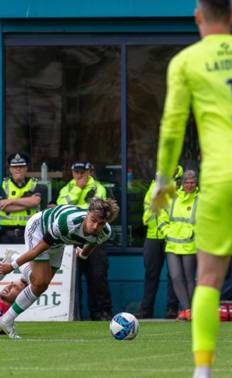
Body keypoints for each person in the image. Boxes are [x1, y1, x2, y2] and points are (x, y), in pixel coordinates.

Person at [151, 1, 232, 376]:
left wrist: (164, 181)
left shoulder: (186, 61)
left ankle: (203, 371)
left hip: (218, 177)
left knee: (209, 279)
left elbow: (171, 128)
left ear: (199, 17)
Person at [0, 198, 119, 338]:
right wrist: (12, 266)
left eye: (100, 223)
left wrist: (83, 254)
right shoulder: (67, 223)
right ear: (87, 214)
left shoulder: (104, 232)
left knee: (41, 283)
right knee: (40, 282)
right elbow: (38, 249)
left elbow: (93, 241)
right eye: (93, 220)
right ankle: (6, 320)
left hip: (58, 241)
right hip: (40, 228)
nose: (95, 226)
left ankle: (13, 258)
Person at [58, 162, 112, 320]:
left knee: (97, 275)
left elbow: (96, 212)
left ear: (89, 172)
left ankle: (101, 312)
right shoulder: (66, 189)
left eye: (83, 172)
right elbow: (63, 207)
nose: (79, 175)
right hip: (72, 236)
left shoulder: (98, 188)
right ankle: (75, 313)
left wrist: (76, 203)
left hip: (94, 235)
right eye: (76, 172)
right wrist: (78, 189)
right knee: (73, 277)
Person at [137, 165, 183, 320]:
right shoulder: (155, 183)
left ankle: (172, 310)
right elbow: (148, 207)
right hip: (152, 235)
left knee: (174, 275)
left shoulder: (181, 183)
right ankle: (145, 310)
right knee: (151, 274)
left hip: (172, 236)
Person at [161, 170, 199, 321]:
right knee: (175, 276)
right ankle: (187, 310)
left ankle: (192, 311)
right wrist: (166, 231)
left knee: (189, 278)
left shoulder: (200, 199)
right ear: (182, 183)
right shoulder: (173, 198)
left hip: (189, 244)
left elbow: (203, 220)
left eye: (192, 182)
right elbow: (162, 216)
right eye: (187, 182)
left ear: (196, 183)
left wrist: (192, 232)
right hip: (172, 243)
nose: (189, 185)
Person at [0, 153, 43, 244]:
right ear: (10, 169)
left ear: (26, 168)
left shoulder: (34, 183)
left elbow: (35, 201)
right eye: (15, 167)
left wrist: (10, 201)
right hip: (7, 235)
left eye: (21, 166)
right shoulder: (5, 184)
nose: (18, 169)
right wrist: (27, 203)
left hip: (30, 234)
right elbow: (2, 206)